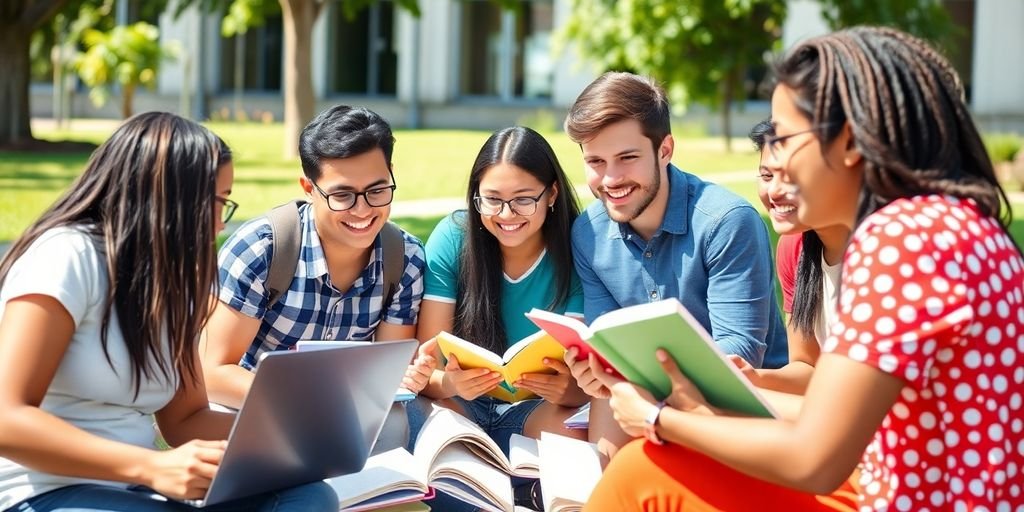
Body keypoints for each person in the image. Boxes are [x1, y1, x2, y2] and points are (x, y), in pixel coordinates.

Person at [584, 26, 1024, 511]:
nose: (775, 160)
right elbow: (831, 418)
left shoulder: (904, 240)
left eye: (785, 138)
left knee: (643, 471)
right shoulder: (949, 226)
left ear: (851, 142)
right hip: (902, 484)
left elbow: (814, 459)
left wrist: (657, 419)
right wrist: (722, 402)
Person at [0, 112, 337, 511]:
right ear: (168, 197)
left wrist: (296, 440)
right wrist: (150, 467)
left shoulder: (173, 279)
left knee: (307, 496)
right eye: (217, 203)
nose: (220, 224)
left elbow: (187, 419)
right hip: (45, 491)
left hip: (140, 491)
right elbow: (7, 418)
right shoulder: (67, 256)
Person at [562, 71, 789, 454]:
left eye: (627, 158)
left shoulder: (727, 221)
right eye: (596, 161)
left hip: (745, 413)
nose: (611, 179)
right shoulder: (588, 232)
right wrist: (595, 371)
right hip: (645, 403)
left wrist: (638, 384)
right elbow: (605, 340)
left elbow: (739, 354)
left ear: (665, 150)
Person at [200, 105, 433, 411]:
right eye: (342, 196)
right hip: (254, 404)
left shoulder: (403, 259)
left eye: (377, 191)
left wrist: (406, 377)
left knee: (398, 422)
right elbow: (212, 373)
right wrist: (311, 401)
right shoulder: (261, 250)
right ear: (309, 188)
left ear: (391, 173)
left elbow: (387, 371)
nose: (362, 211)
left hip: (348, 409)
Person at [415, 126, 588, 510]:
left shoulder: (578, 247)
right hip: (462, 403)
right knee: (421, 420)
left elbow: (582, 379)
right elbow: (427, 366)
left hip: (539, 408)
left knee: (578, 431)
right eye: (491, 200)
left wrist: (570, 391)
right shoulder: (454, 237)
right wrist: (452, 384)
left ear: (552, 194)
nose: (506, 215)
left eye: (524, 200)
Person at [734, 119, 852, 394]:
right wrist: (754, 378)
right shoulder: (794, 247)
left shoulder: (883, 253)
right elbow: (807, 366)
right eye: (766, 176)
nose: (774, 191)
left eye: (791, 177)